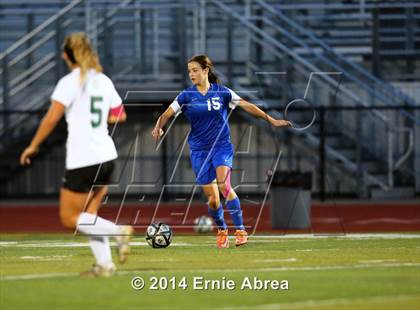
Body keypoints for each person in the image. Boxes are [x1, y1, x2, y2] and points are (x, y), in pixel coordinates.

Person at [19, 32, 133, 277]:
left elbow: (52, 117)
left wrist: (34, 145)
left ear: (68, 56)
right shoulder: (103, 80)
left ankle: (117, 232)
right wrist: (96, 117)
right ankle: (105, 265)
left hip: (84, 158)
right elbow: (120, 115)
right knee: (88, 215)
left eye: (63, 52)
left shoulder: (70, 82)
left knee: (69, 218)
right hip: (107, 156)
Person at [152, 55, 291, 248]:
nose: (191, 74)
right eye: (189, 71)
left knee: (225, 185)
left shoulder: (223, 92)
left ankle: (241, 230)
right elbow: (166, 114)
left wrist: (271, 120)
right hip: (199, 151)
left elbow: (247, 105)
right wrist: (158, 127)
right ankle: (222, 229)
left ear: (206, 70)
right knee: (213, 199)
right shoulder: (185, 96)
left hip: (221, 146)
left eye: (195, 70)